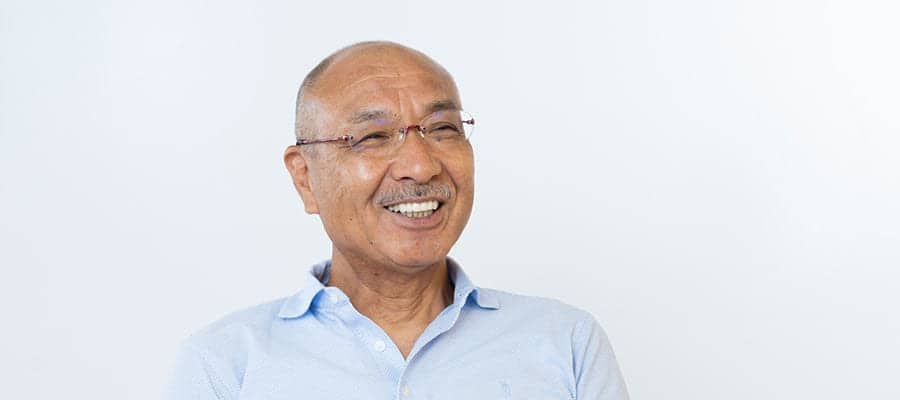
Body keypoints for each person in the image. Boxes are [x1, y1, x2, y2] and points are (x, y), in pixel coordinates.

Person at [167, 41, 629, 399]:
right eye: (372, 136)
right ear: (305, 178)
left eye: (442, 128)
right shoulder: (226, 365)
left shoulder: (566, 342)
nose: (421, 166)